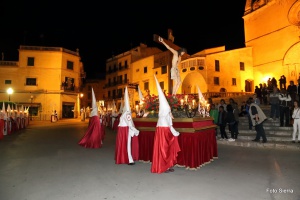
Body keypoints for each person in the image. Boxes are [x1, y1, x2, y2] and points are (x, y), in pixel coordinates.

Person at [151, 75, 181, 174]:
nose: (169, 110)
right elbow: (168, 124)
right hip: (163, 133)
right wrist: (174, 132)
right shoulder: (163, 116)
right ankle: (162, 167)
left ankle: (167, 165)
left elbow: (170, 124)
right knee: (164, 150)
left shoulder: (166, 114)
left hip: (166, 132)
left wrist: (175, 132)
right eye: (168, 109)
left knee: (167, 150)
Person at [115, 87, 139, 165]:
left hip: (121, 130)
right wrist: (136, 131)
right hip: (125, 130)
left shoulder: (123, 114)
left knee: (123, 144)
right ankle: (129, 159)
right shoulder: (128, 114)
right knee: (127, 144)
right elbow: (130, 124)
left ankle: (122, 157)